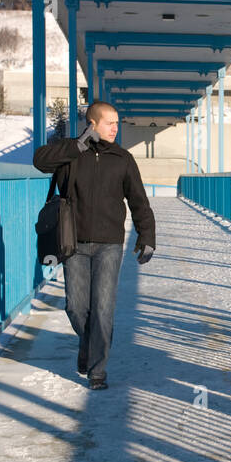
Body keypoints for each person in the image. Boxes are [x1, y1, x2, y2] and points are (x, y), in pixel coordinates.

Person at [33, 101, 157, 391]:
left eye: (117, 122)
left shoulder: (122, 158)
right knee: (76, 307)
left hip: (110, 244)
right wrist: (75, 147)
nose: (115, 128)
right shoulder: (70, 152)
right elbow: (39, 161)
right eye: (109, 122)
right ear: (91, 124)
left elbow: (139, 200)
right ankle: (87, 345)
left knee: (102, 308)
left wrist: (147, 236)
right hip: (72, 242)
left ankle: (97, 371)